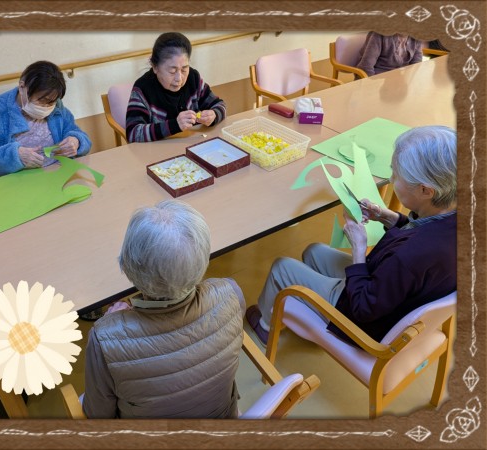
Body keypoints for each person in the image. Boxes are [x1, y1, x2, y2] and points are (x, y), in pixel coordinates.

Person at [247, 125, 456, 346]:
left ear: (426, 190)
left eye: (396, 176)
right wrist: (388, 217)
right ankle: (310, 309)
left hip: (362, 319)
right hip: (388, 295)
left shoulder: (409, 257)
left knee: (281, 267)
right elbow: (417, 232)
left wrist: (358, 247)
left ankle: (265, 327)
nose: (391, 178)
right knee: (314, 251)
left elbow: (363, 307)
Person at [83, 200, 245, 418]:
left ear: (127, 265)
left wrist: (112, 329)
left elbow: (98, 414)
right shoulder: (231, 293)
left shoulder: (103, 339)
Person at [0, 60, 92, 181]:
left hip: (57, 174)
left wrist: (76, 141)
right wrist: (15, 156)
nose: (46, 107)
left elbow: (79, 135)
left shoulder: (56, 105)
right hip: (13, 182)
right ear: (22, 87)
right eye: (41, 100)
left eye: (51, 102)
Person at [126, 32, 227, 143]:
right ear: (155, 67)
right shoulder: (142, 89)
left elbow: (220, 105)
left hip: (193, 144)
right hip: (158, 150)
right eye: (172, 71)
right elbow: (133, 134)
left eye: (184, 69)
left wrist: (214, 115)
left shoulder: (193, 78)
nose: (179, 78)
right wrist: (175, 125)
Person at [356, 32, 423, 77]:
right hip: (377, 77)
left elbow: (416, 64)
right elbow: (366, 67)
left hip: (398, 78)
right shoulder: (379, 34)